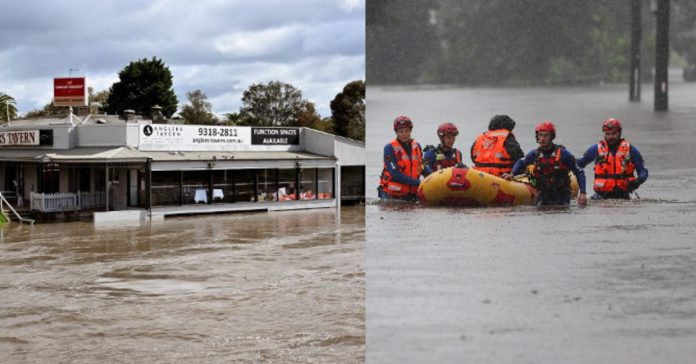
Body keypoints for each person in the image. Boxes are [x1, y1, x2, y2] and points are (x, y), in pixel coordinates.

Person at [503, 121, 587, 206]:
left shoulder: (563, 154)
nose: (542, 139)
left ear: (552, 137)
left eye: (546, 135)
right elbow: (521, 162)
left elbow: (579, 172)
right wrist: (512, 174)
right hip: (543, 195)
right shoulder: (534, 154)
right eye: (540, 135)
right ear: (537, 137)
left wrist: (583, 193)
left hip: (562, 196)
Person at [577, 118, 648, 199]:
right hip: (600, 198)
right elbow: (579, 164)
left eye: (614, 134)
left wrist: (637, 181)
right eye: (608, 134)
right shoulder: (596, 149)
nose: (611, 137)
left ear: (619, 133)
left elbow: (643, 172)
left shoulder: (630, 150)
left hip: (623, 197)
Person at [378, 115, 427, 201]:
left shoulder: (417, 146)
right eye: (401, 132)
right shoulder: (389, 148)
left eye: (407, 131)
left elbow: (422, 167)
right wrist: (419, 182)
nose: (404, 134)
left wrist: (434, 177)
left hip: (411, 193)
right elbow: (395, 174)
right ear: (396, 132)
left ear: (410, 131)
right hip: (391, 194)